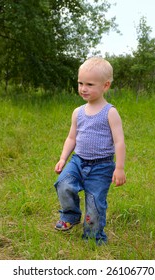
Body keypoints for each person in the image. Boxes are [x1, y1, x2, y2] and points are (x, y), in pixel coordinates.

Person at [54, 56, 126, 244]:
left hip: (101, 166)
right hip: (78, 161)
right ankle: (70, 215)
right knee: (63, 183)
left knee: (94, 203)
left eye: (90, 84)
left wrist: (119, 168)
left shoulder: (110, 112)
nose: (83, 88)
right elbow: (71, 137)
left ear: (105, 85)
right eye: (80, 83)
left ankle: (93, 237)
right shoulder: (78, 112)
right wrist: (63, 158)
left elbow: (119, 142)